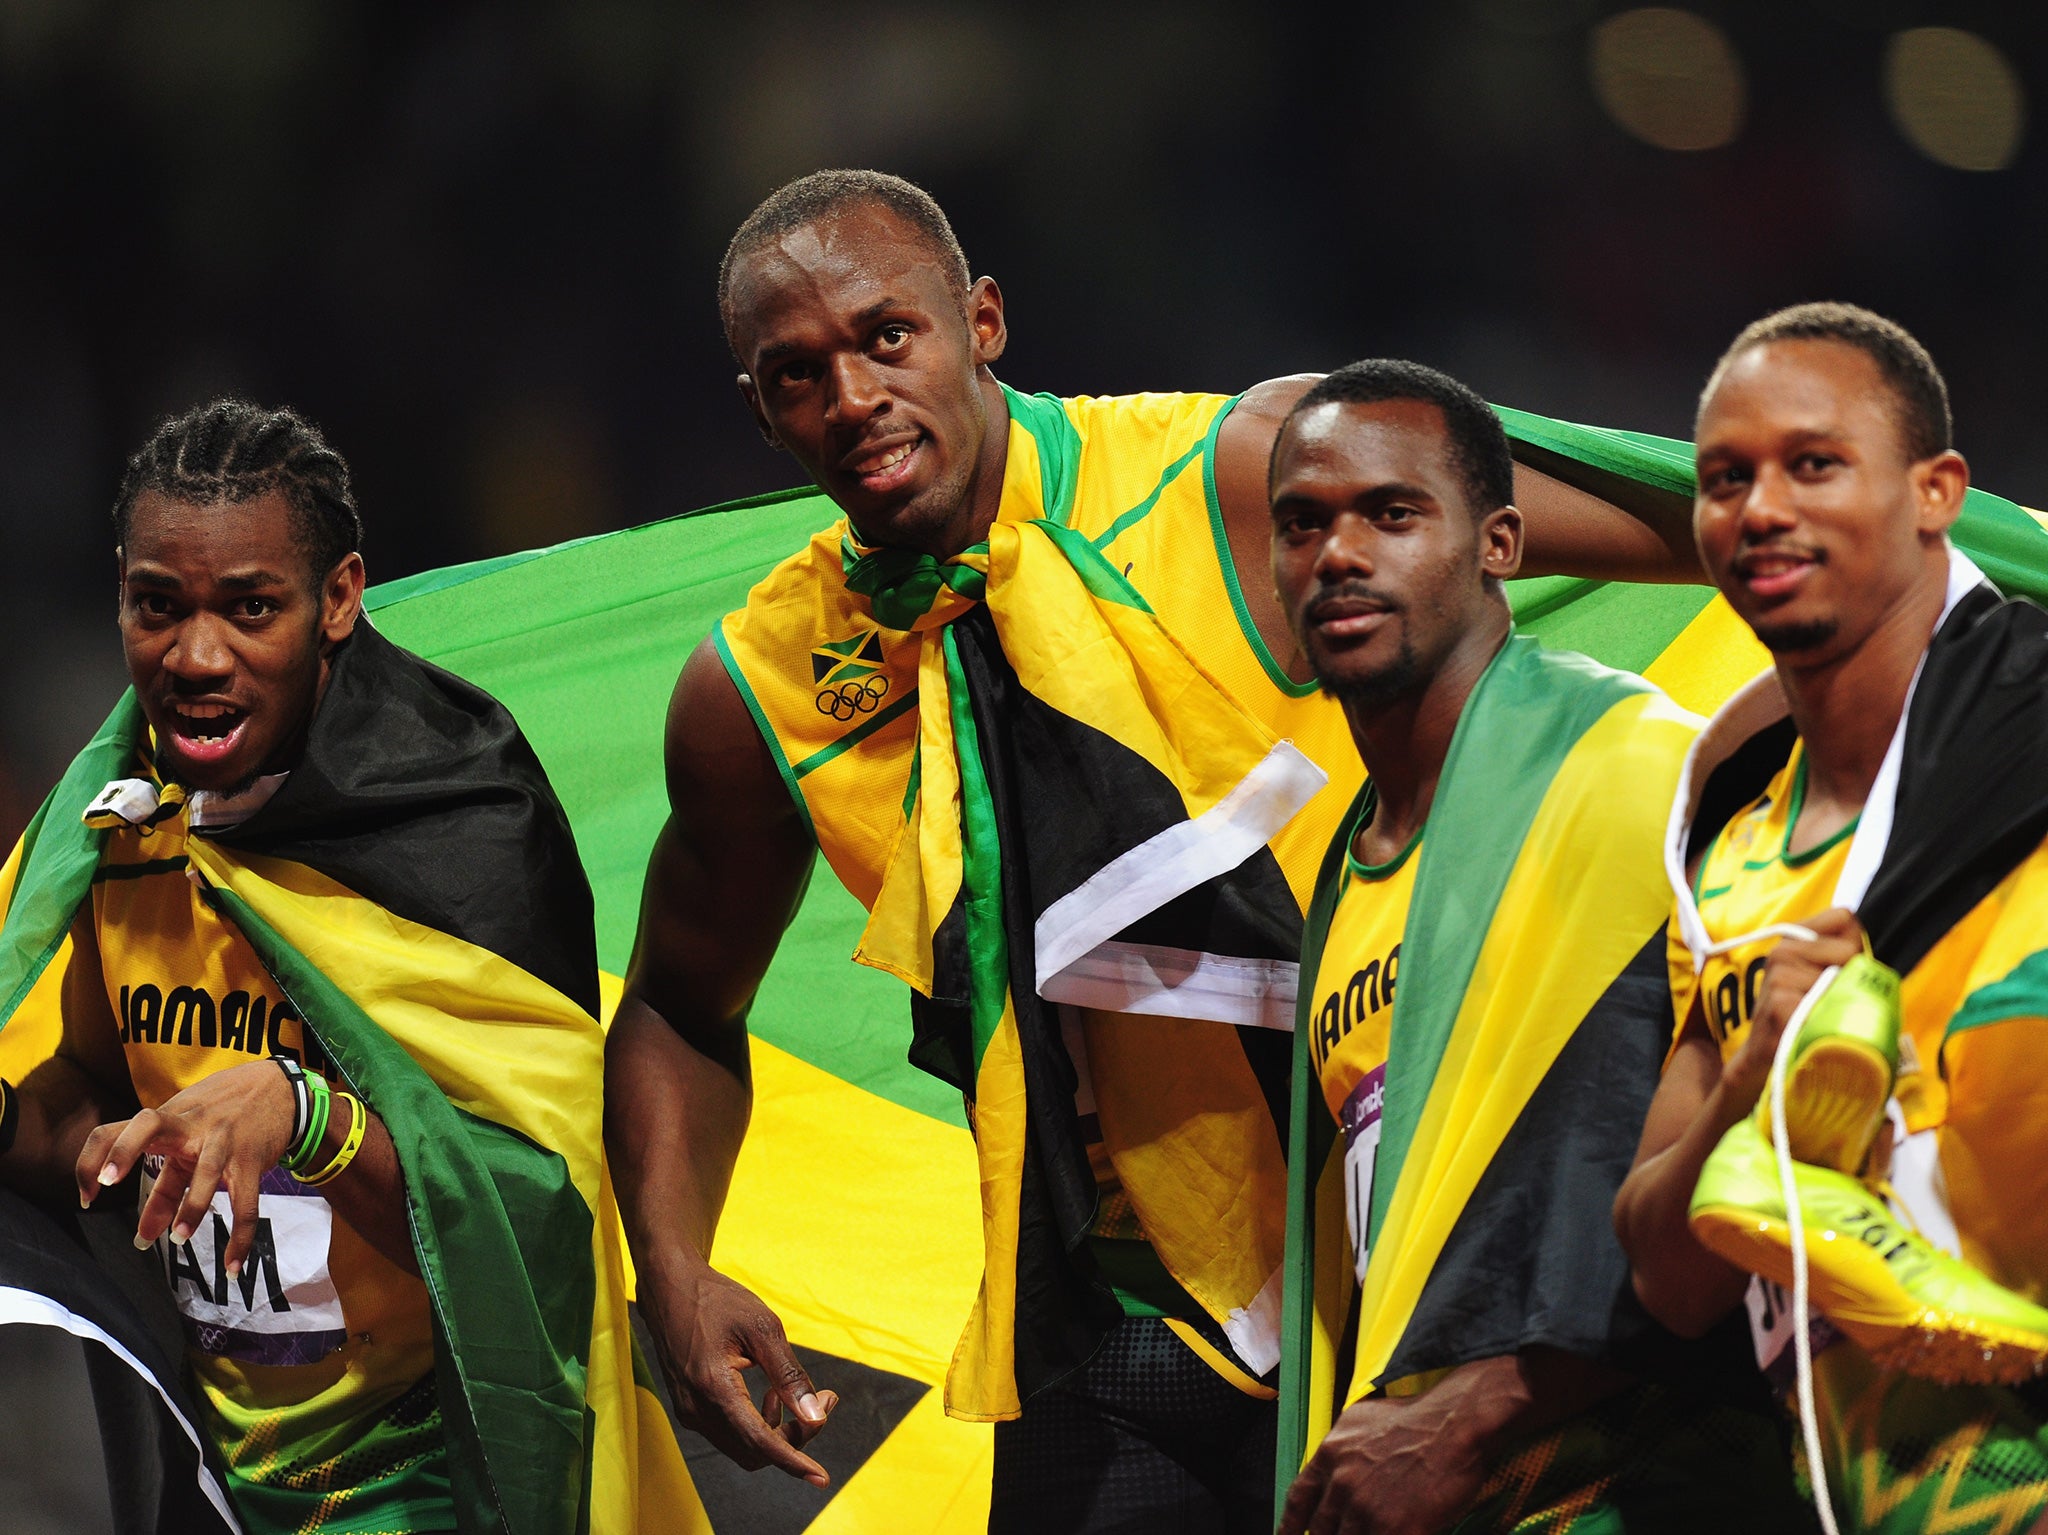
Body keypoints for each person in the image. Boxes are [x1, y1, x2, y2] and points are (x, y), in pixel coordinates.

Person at [604, 168, 1700, 1530]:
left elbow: (1704, 522)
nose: (854, 397)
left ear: (982, 320)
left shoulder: (1241, 476)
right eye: (797, 374)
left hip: (1417, 1260)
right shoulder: (764, 687)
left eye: (890, 335)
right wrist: (676, 1264)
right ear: (762, 410)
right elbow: (675, 1001)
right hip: (1125, 1319)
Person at [0, 400, 695, 1535]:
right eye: (157, 607)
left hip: (436, 1471)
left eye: (250, 607)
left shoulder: (457, 826)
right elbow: (87, 1097)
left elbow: (535, 1214)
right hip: (220, 1469)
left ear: (338, 598)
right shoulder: (119, 830)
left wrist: (305, 1113)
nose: (196, 655)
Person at [1267, 361, 1809, 1533]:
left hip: (1658, 1478)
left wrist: (1481, 1406)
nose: (1337, 554)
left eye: (1390, 513)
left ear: (1500, 542)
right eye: (1300, 523)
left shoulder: (1641, 767)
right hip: (1434, 1491)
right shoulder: (1336, 891)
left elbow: (1779, 1135)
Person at [1614, 302, 2048, 1533]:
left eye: (1812, 464)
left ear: (1934, 492)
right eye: (1721, 479)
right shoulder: (1725, 856)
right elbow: (1664, 1273)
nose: (1757, 509)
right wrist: (1756, 1074)